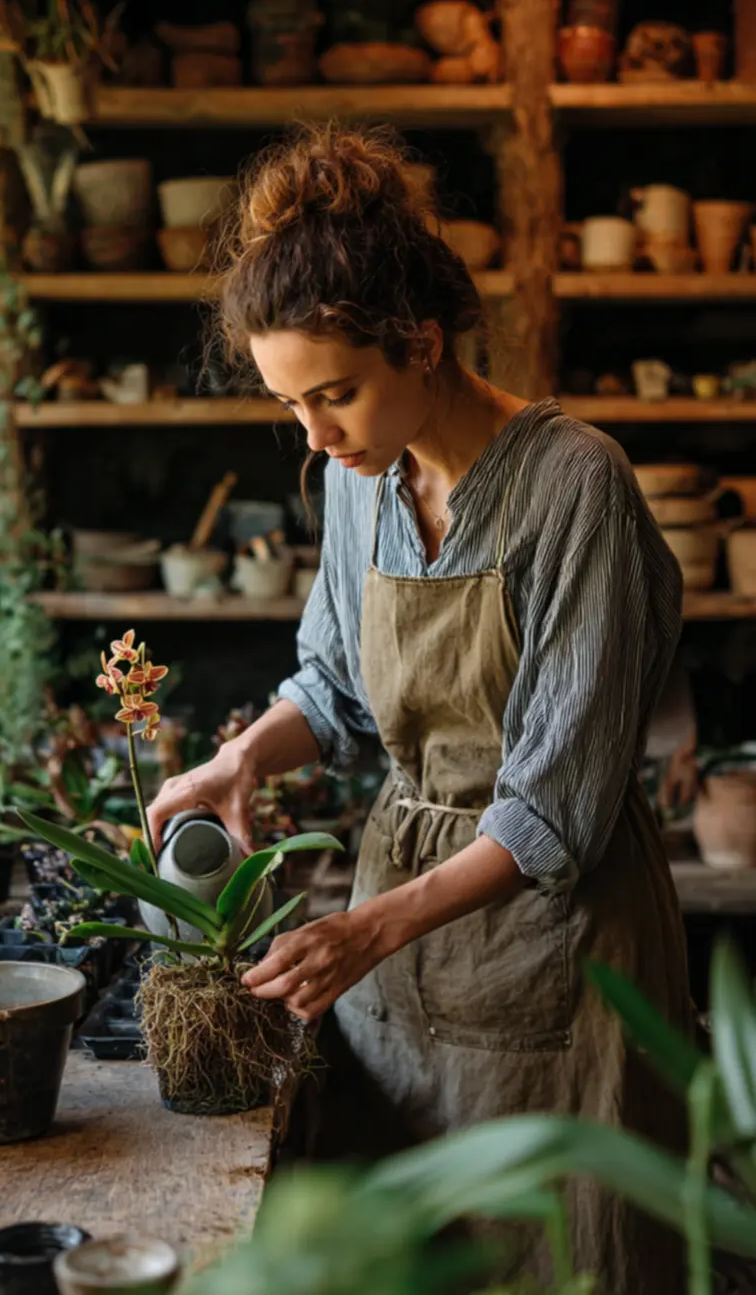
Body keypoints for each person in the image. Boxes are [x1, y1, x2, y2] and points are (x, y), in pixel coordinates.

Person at [147, 124, 691, 1291]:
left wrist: (367, 924)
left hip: (559, 947)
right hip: (401, 954)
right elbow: (334, 690)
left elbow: (552, 810)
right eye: (291, 405)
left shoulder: (570, 486)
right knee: (408, 1256)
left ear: (420, 344)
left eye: (332, 395)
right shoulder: (360, 479)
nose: (314, 435)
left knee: (561, 1253)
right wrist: (242, 759)